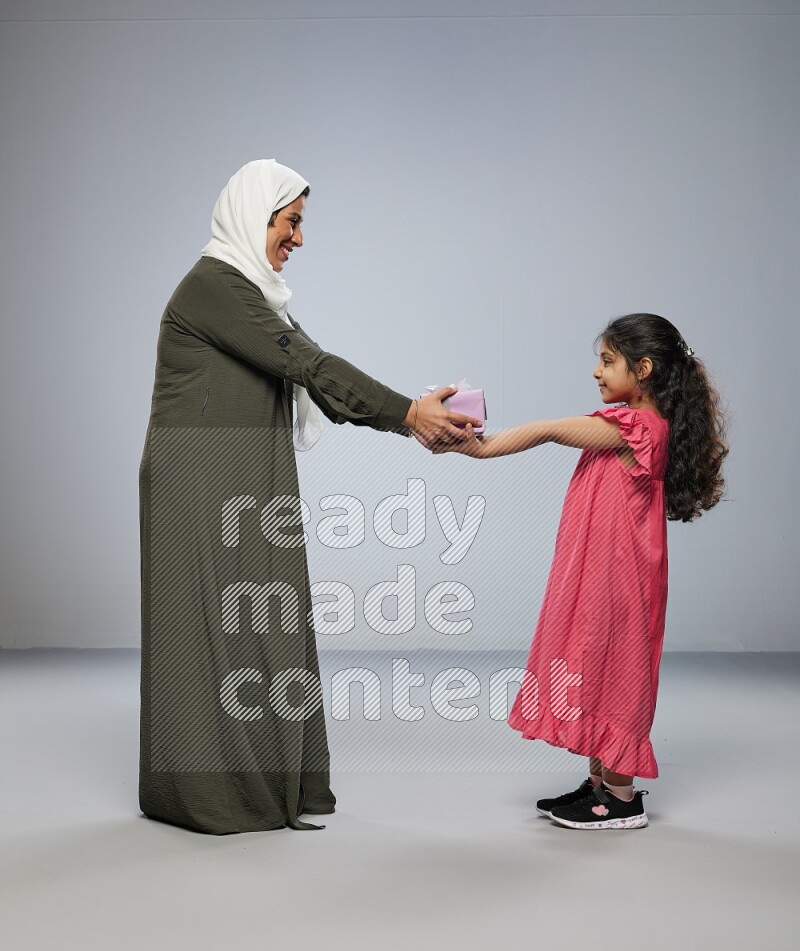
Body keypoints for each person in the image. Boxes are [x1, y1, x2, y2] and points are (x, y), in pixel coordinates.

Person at [139, 159, 470, 834]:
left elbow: (316, 370)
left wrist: (412, 416)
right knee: (209, 630)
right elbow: (308, 366)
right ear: (253, 216)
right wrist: (409, 414)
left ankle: (263, 784)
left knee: (261, 619)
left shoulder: (255, 297)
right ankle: (204, 795)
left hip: (241, 473)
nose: (298, 239)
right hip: (195, 482)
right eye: (291, 222)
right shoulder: (213, 286)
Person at [440, 313, 728, 830]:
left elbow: (550, 431)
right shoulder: (637, 424)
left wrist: (477, 447)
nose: (597, 372)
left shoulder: (636, 427)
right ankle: (600, 785)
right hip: (606, 573)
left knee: (617, 670)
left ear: (642, 369)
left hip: (620, 580)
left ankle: (621, 799)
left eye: (607, 361)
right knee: (596, 661)